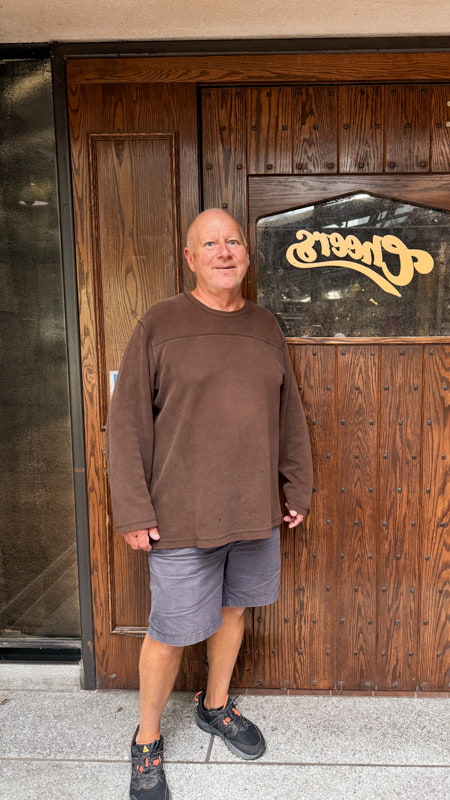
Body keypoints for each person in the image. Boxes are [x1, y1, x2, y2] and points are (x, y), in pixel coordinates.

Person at [106, 209, 313, 800]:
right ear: (190, 258)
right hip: (179, 514)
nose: (225, 252)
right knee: (170, 632)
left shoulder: (265, 326)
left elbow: (289, 415)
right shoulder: (159, 324)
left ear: (246, 254)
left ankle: (214, 706)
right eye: (210, 244)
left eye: (234, 241)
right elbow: (124, 428)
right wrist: (134, 510)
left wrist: (296, 488)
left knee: (233, 611)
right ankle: (147, 741)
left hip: (253, 509)